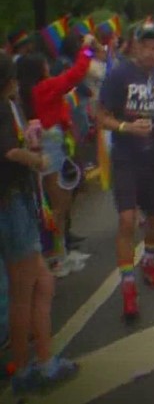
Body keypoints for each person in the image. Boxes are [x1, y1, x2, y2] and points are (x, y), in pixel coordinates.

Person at [1, 52, 80, 394]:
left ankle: (26, 365)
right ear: (10, 81)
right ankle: (39, 366)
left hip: (15, 203)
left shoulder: (11, 107)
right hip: (13, 204)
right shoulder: (4, 106)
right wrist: (37, 158)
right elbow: (9, 151)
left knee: (32, 287)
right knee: (32, 287)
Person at [94, 21, 154, 320]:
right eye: (145, 45)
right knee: (127, 221)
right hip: (126, 157)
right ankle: (128, 289)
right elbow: (101, 116)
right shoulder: (119, 75)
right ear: (135, 46)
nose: (151, 52)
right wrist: (126, 127)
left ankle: (149, 262)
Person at [16, 35, 96, 276]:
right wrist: (87, 50)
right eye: (44, 64)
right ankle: (56, 258)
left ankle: (60, 254)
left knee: (57, 204)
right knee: (58, 205)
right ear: (38, 69)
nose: (48, 66)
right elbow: (76, 74)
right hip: (51, 152)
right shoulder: (45, 88)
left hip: (49, 148)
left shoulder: (26, 93)